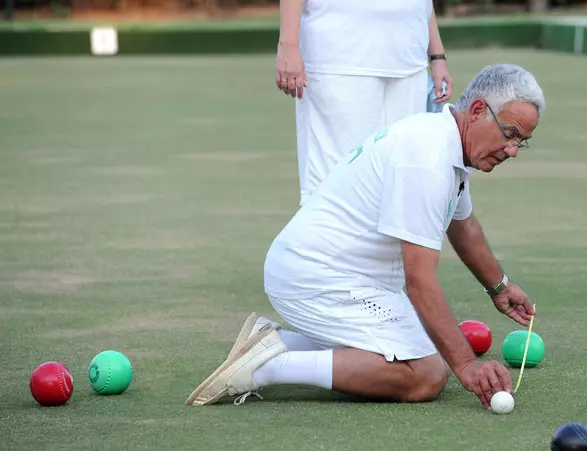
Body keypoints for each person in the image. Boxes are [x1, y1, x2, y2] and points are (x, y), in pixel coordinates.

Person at [186, 64, 545, 409]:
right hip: (317, 276)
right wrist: (467, 365)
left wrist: (499, 286)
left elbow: (463, 224)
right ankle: (265, 369)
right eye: (510, 134)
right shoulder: (427, 158)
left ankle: (274, 344)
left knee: (433, 346)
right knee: (426, 374)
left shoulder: (443, 140)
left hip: (339, 274)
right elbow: (419, 282)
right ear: (479, 110)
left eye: (522, 142)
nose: (512, 150)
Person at [275, 0, 453, 206]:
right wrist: (288, 44)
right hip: (339, 61)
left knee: (403, 184)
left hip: (410, 60)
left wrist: (437, 55)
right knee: (337, 186)